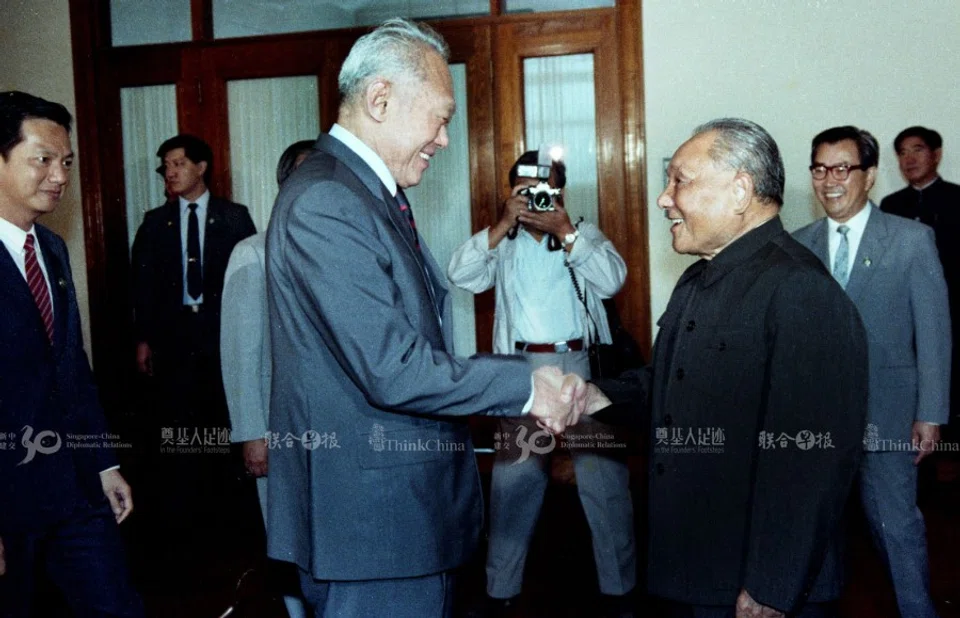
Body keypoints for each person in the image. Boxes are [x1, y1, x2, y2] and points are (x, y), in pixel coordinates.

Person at [265, 18, 585, 618]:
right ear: (380, 98)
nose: (443, 139)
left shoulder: (368, 193)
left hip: (395, 515)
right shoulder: (328, 201)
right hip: (371, 524)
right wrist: (526, 382)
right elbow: (391, 366)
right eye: (439, 117)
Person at [586, 118, 868, 617]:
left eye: (680, 180)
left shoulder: (800, 289)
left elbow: (812, 456)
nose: (664, 199)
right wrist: (595, 396)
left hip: (757, 585)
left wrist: (770, 589)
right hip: (701, 567)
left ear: (741, 190)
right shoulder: (697, 280)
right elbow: (673, 384)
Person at [448, 151, 636, 617]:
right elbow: (460, 274)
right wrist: (500, 224)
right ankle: (501, 591)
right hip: (523, 371)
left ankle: (621, 592)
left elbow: (613, 280)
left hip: (580, 367)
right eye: (524, 190)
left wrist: (566, 231)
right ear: (510, 193)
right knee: (514, 482)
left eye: (545, 188)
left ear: (561, 192)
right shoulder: (504, 243)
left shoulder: (582, 234)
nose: (536, 197)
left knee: (604, 481)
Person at [795, 126, 951, 618]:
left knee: (896, 526)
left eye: (842, 168)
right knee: (813, 531)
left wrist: (931, 413)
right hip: (817, 420)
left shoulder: (911, 241)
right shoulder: (799, 246)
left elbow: (934, 333)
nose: (829, 180)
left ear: (870, 176)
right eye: (820, 169)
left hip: (887, 414)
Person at [0, 90, 143, 617]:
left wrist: (104, 462)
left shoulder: (52, 250)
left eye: (66, 162)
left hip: (75, 490)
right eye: (43, 160)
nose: (59, 175)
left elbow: (71, 371)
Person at [130, 133, 256, 542]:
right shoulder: (154, 223)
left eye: (178, 163)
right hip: (174, 336)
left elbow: (253, 282)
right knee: (179, 424)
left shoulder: (235, 217)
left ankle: (229, 514)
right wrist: (143, 339)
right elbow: (141, 287)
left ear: (201, 167)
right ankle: (186, 520)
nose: (170, 172)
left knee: (223, 416)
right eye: (165, 165)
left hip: (223, 333)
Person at [220, 139, 314, 618]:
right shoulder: (252, 253)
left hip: (332, 428)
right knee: (287, 534)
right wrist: (252, 433)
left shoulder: (339, 249)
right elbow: (240, 353)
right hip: (276, 428)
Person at [880, 126, 960, 429]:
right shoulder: (891, 205)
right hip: (904, 315)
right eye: (902, 153)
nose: (908, 159)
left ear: (936, 155)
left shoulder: (956, 198)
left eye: (917, 150)